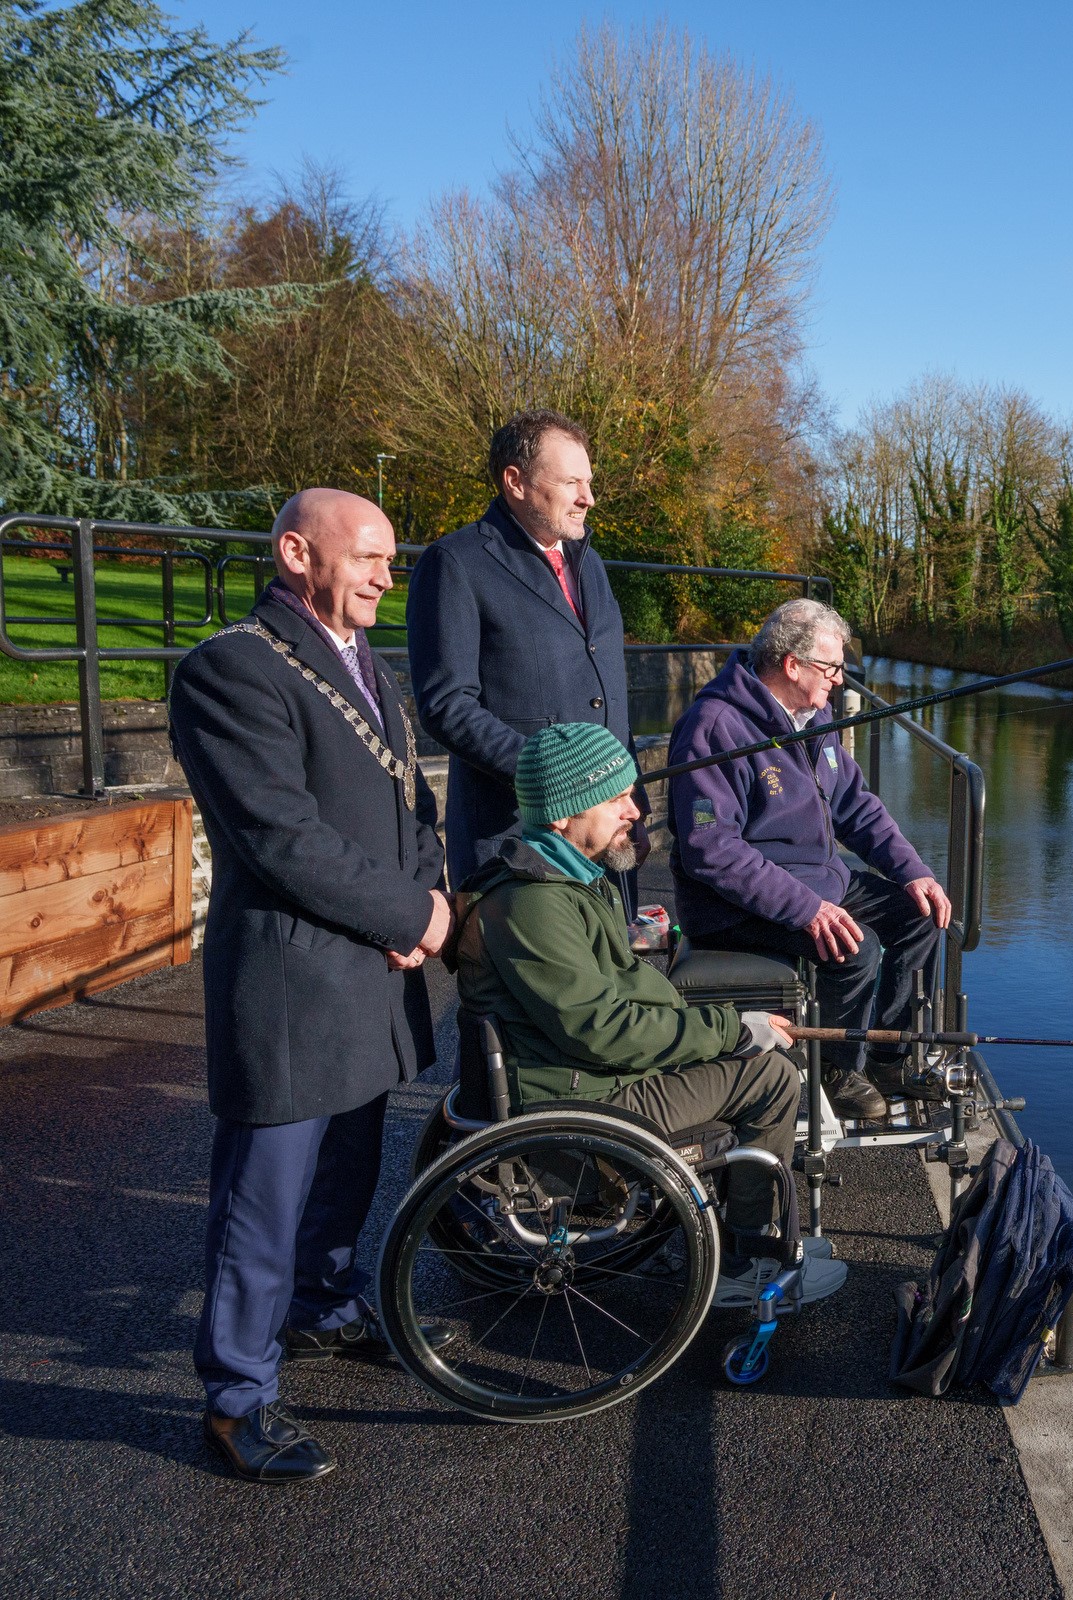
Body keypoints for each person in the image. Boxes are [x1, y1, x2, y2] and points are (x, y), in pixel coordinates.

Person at [170, 489, 452, 1484]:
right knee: (262, 1201)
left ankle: (323, 1306)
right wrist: (411, 915)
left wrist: (428, 890)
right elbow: (280, 837)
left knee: (346, 1172)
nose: (385, 574)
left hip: (373, 976)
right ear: (296, 552)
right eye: (367, 556)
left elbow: (415, 804)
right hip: (294, 978)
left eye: (389, 558)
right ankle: (236, 1399)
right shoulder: (229, 669)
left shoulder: (373, 667)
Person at [452, 722, 820, 1309]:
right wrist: (731, 1028)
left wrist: (722, 1026)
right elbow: (603, 1030)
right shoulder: (536, 903)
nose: (635, 810)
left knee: (741, 1045)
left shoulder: (567, 881)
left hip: (588, 1076)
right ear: (563, 816)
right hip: (583, 1100)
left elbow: (616, 996)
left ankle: (726, 1231)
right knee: (772, 1077)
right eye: (616, 797)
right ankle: (742, 1257)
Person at [667, 598, 951, 1118]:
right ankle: (835, 1072)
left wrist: (913, 871)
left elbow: (854, 805)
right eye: (832, 667)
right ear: (791, 665)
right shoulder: (713, 726)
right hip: (735, 904)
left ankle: (889, 1057)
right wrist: (806, 909)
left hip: (824, 879)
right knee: (855, 948)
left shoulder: (814, 716)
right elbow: (710, 848)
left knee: (921, 917)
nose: (841, 681)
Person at [406, 408, 645, 894]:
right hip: (521, 837)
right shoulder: (455, 563)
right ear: (515, 482)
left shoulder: (590, 564)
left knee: (614, 967)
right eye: (572, 482)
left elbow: (607, 692)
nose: (588, 498)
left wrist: (630, 795)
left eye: (589, 482)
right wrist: (553, 776)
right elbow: (447, 705)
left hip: (608, 831)